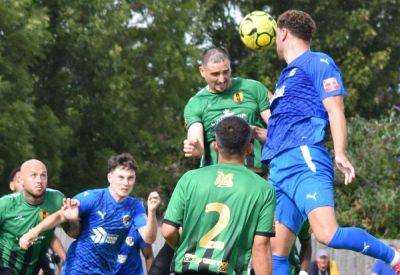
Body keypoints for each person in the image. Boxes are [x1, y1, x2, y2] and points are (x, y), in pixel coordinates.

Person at [262, 9, 400, 274]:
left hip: (303, 158)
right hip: (279, 167)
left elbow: (335, 108)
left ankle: (393, 257)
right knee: (275, 251)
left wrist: (340, 152)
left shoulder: (318, 61)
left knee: (327, 233)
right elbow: (286, 123)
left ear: (283, 33)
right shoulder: (286, 75)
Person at [162, 116, 276, 274]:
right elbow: (261, 245)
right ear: (249, 149)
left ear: (216, 146)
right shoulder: (263, 189)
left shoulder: (190, 179)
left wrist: (188, 252)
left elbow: (168, 231)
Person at [19, 152, 161, 274]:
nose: (126, 183)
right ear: (110, 177)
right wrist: (33, 232)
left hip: (105, 270)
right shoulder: (93, 198)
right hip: (78, 268)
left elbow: (149, 238)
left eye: (130, 178)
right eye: (121, 177)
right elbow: (61, 215)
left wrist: (152, 211)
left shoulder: (135, 206)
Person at [183, 46, 270, 173]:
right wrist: (196, 149)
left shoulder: (254, 88)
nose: (222, 79)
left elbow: (279, 129)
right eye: (215, 74)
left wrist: (256, 132)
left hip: (256, 175)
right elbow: (196, 141)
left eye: (226, 71)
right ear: (202, 71)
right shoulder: (196, 103)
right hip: (217, 180)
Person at [0, 159, 64, 274]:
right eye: (33, 175)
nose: (39, 180)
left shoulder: (57, 200)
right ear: (21, 181)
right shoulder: (5, 204)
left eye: (43, 175)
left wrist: (65, 260)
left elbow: (66, 232)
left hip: (34, 266)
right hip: (6, 266)